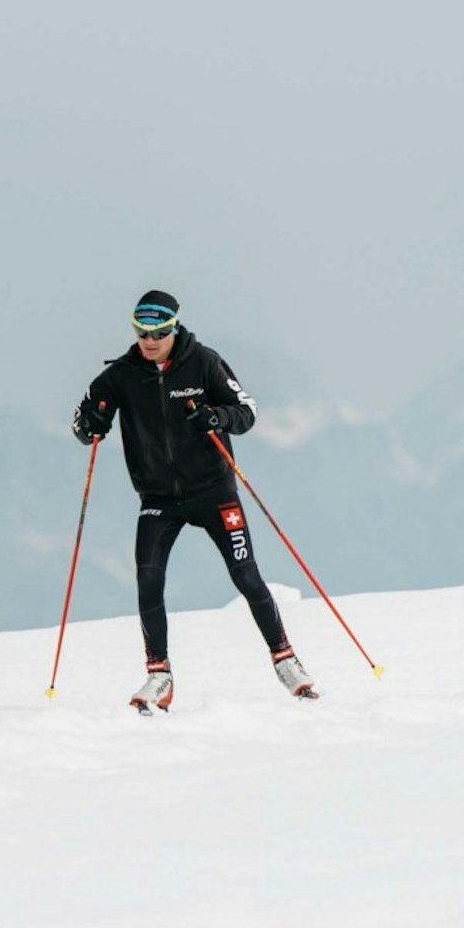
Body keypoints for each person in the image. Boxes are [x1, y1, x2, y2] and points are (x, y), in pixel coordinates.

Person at [71, 290, 318, 712]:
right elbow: (84, 426)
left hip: (214, 491)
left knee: (246, 576)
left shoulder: (204, 362)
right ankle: (159, 676)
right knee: (149, 580)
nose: (149, 340)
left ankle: (286, 661)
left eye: (159, 332)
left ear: (175, 328)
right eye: (141, 331)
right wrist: (90, 423)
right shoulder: (122, 375)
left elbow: (247, 411)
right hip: (158, 498)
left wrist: (217, 417)